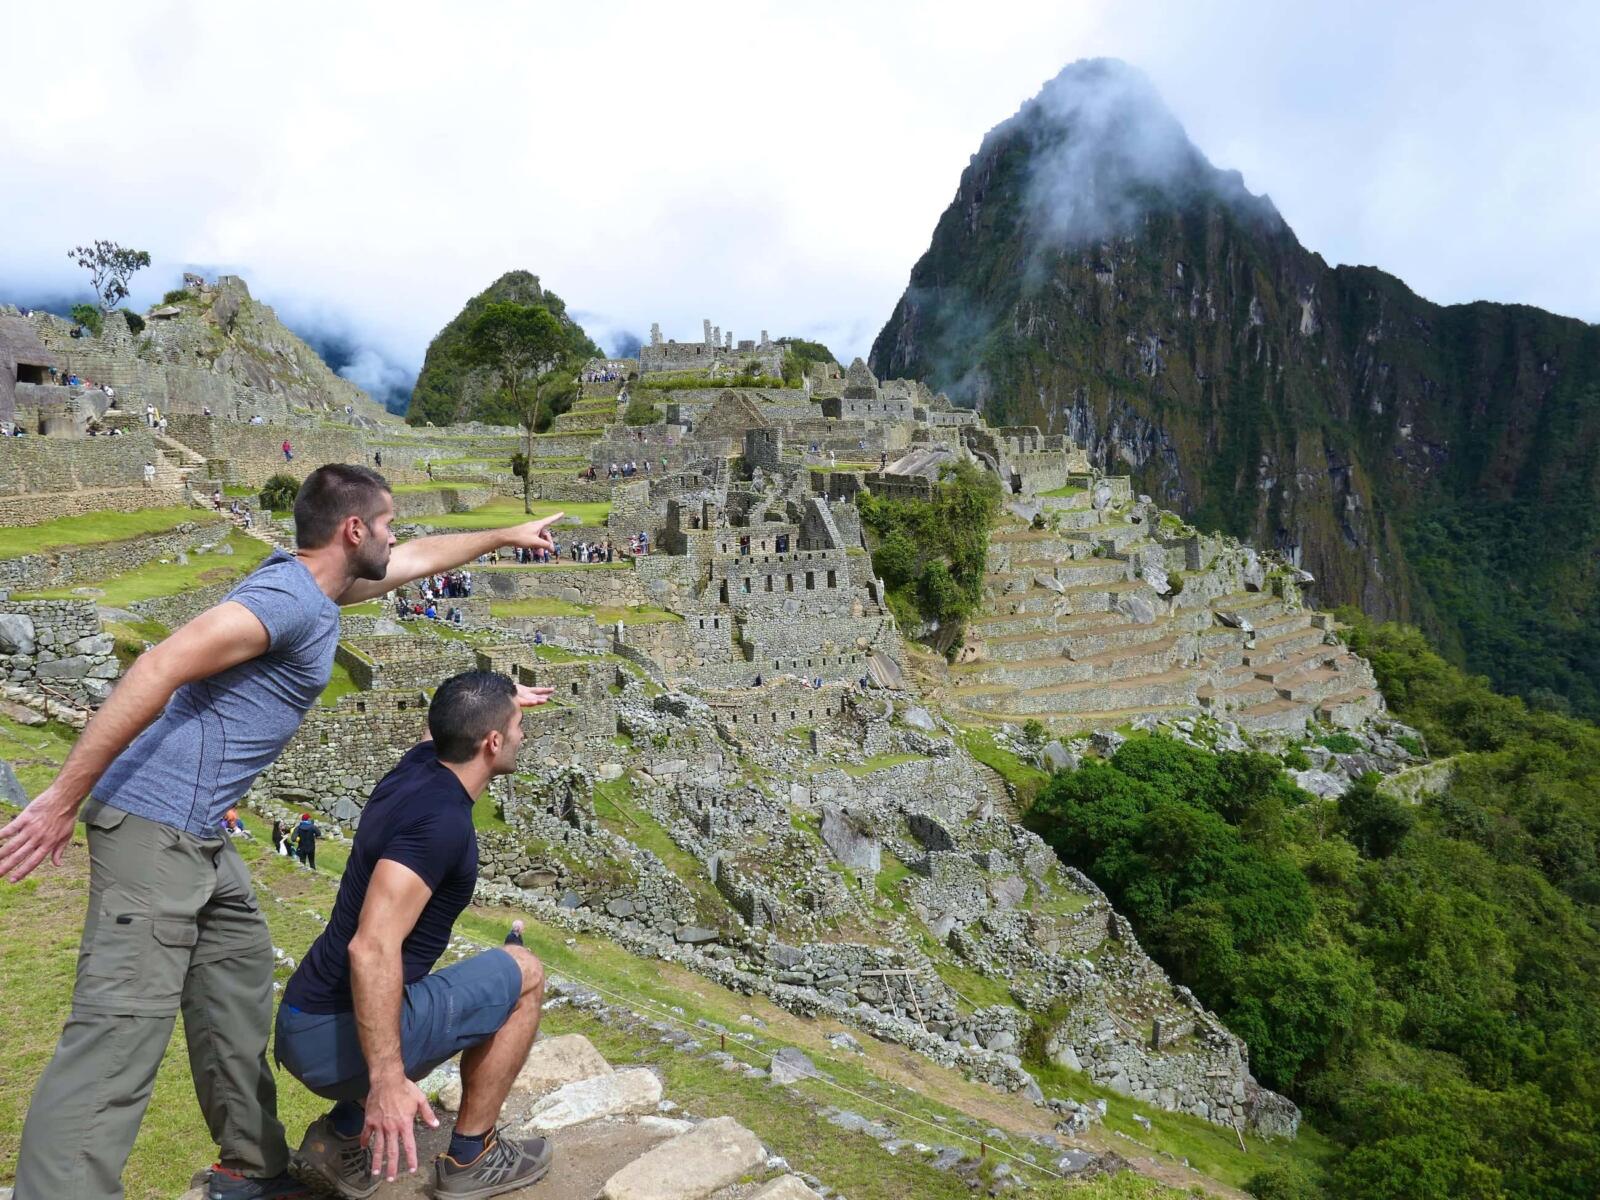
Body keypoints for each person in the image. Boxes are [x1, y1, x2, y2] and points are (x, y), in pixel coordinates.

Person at [0, 464, 565, 1200]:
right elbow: (162, 664)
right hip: (153, 825)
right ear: (353, 530)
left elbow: (415, 563)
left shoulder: (321, 590)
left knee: (233, 1000)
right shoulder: (284, 599)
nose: (397, 539)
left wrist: (503, 536)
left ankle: (253, 1170)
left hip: (201, 833)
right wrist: (59, 801)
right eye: (388, 523)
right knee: (116, 1041)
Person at [275, 672, 554, 1197]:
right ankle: (474, 1156)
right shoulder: (441, 824)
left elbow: (443, 726)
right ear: (492, 742)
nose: (522, 734)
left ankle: (339, 1136)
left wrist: (496, 698)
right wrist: (386, 1083)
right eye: (517, 725)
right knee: (525, 974)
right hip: (328, 1040)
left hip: (302, 1015)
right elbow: (372, 946)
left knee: (416, 989)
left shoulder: (416, 768)